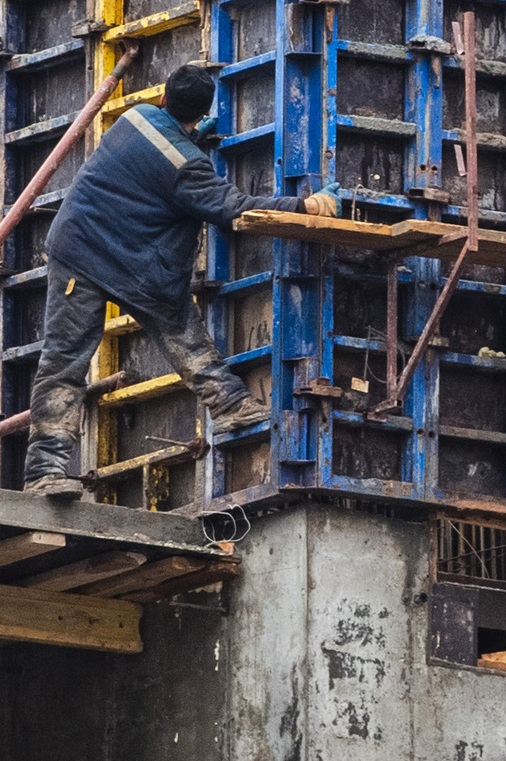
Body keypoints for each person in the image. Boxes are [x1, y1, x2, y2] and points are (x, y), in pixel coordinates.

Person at [22, 63, 340, 497]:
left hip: (91, 249)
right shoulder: (188, 168)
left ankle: (48, 473)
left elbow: (158, 155)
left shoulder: (134, 117)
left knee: (70, 360)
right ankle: (227, 406)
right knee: (165, 334)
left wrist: (186, 137)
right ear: (201, 112)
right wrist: (307, 207)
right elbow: (236, 208)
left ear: (163, 98)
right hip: (103, 255)